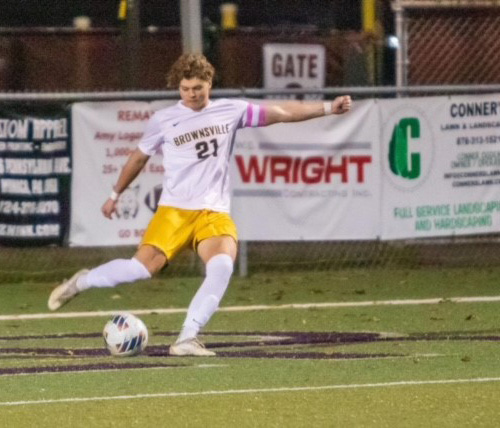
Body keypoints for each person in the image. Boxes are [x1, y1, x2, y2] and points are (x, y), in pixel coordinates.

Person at [48, 53, 352, 356]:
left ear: (209, 82)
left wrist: (327, 108)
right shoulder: (164, 119)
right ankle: (81, 282)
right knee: (139, 269)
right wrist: (115, 195)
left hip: (213, 212)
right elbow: (139, 157)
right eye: (185, 88)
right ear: (178, 88)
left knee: (221, 266)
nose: (192, 94)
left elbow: (282, 111)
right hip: (174, 211)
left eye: (198, 87)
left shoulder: (231, 111)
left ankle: (186, 338)